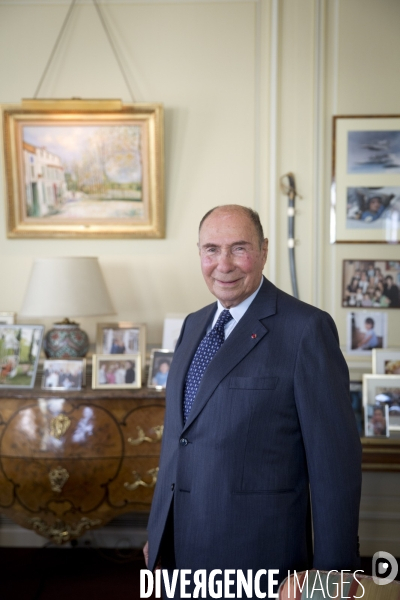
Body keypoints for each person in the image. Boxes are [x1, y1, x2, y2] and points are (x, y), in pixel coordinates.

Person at [144, 205, 361, 596]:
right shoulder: (193, 324)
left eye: (238, 248)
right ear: (199, 253)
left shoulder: (306, 330)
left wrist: (331, 571)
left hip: (260, 558)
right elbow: (179, 440)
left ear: (263, 250)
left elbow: (336, 465)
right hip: (179, 551)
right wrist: (160, 531)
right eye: (211, 249)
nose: (223, 264)